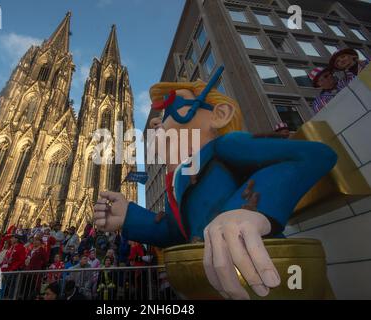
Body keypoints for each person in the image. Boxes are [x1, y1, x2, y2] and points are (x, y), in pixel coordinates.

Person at [94, 66, 337, 300]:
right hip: (215, 285)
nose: (158, 124)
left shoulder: (228, 145)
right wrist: (130, 217)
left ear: (219, 115)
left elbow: (314, 155)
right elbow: (177, 231)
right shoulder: (179, 179)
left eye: (171, 111)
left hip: (268, 279)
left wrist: (245, 212)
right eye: (159, 117)